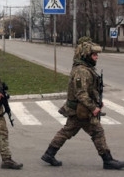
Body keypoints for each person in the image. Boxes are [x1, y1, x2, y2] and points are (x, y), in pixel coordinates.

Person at [41, 40, 124, 170]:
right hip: (81, 110)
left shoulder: (86, 69)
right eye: (94, 54)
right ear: (86, 55)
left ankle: (49, 153)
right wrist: (93, 107)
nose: (97, 57)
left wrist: (97, 101)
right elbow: (81, 93)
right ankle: (107, 160)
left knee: (67, 131)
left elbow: (90, 90)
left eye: (97, 54)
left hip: (80, 110)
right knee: (97, 132)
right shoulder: (82, 71)